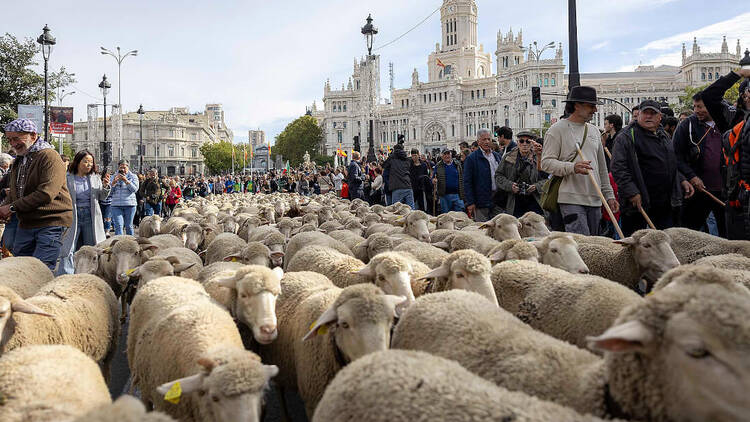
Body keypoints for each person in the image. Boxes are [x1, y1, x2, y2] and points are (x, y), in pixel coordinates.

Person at [541, 86, 618, 235]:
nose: (595, 109)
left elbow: (601, 168)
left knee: (593, 245)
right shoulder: (557, 130)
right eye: (591, 105)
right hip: (570, 200)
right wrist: (572, 167)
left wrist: (609, 196)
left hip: (595, 200)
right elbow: (546, 163)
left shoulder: (595, 131)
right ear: (577, 105)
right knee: (581, 247)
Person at [612, 100, 694, 236]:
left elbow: (671, 163)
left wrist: (681, 179)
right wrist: (632, 192)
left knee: (663, 242)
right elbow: (618, 167)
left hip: (665, 203)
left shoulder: (663, 135)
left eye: (653, 113)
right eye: (645, 113)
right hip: (639, 203)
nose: (648, 117)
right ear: (639, 115)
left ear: (660, 117)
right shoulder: (626, 136)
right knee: (637, 243)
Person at [0, 119, 72, 270]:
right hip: (26, 223)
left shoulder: (49, 156)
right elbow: (15, 192)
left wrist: (11, 207)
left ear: (33, 135)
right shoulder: (19, 160)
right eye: (10, 139)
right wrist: (5, 207)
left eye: (16, 138)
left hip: (51, 222)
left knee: (40, 270)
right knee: (20, 270)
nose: (13, 144)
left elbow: (46, 193)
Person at [704, 68, 750, 239]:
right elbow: (709, 95)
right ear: (745, 96)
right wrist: (738, 73)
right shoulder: (733, 118)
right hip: (740, 201)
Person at [673, 91, 726, 237]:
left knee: (727, 233)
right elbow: (676, 155)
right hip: (698, 190)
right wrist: (691, 176)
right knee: (690, 232)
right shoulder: (687, 125)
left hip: (725, 191)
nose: (696, 110)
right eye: (695, 106)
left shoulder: (727, 121)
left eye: (701, 106)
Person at [56, 150, 110, 275]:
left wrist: (106, 187)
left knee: (92, 247)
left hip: (91, 216)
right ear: (78, 162)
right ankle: (66, 275)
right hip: (72, 216)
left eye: (91, 162)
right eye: (85, 161)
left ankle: (92, 274)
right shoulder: (67, 177)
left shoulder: (95, 178)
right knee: (68, 248)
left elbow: (102, 197)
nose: (88, 164)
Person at [494, 131, 545, 217]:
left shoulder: (539, 157)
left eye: (528, 141)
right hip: (514, 201)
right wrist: (510, 186)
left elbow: (547, 179)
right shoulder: (508, 157)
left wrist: (536, 186)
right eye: (521, 141)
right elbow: (498, 176)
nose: (524, 144)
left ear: (532, 143)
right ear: (517, 142)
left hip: (534, 200)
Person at [463, 128, 503, 222]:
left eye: (489, 139)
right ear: (478, 142)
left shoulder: (497, 156)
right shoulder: (471, 159)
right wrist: (470, 202)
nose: (487, 142)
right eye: (484, 139)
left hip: (497, 200)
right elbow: (467, 182)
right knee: (483, 229)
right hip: (481, 201)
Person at [109, 160, 139, 236]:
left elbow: (134, 189)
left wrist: (126, 181)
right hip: (116, 205)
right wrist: (113, 183)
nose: (122, 169)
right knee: (118, 226)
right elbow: (109, 192)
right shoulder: (113, 176)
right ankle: (119, 244)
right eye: (121, 167)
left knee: (129, 226)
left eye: (124, 167)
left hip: (130, 205)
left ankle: (131, 243)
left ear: (128, 167)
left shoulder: (133, 176)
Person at [383, 143, 414, 208]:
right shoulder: (408, 159)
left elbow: (384, 165)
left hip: (397, 186)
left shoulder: (392, 159)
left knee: (396, 210)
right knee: (411, 209)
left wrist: (391, 156)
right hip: (408, 186)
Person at [433, 149, 465, 213]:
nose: (447, 156)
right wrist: (434, 180)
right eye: (445, 154)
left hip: (457, 195)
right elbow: (434, 177)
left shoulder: (457, 164)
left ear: (451, 155)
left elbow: (461, 177)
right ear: (442, 156)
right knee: (446, 216)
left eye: (448, 154)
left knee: (460, 214)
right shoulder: (438, 166)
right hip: (444, 196)